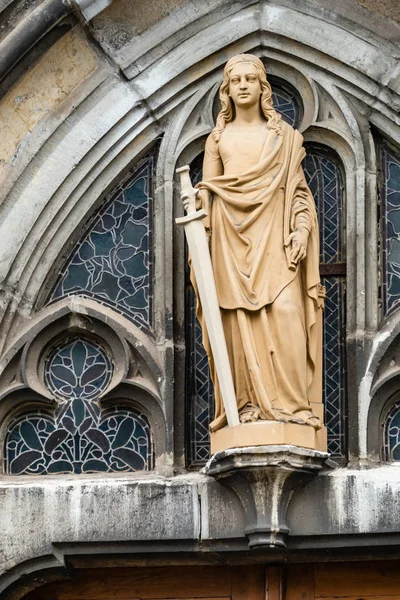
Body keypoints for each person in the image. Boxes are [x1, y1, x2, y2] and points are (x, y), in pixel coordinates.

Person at [187, 54, 323, 432]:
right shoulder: (219, 139)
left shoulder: (285, 139)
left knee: (287, 315)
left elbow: (299, 195)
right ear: (226, 91)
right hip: (231, 244)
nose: (243, 85)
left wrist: (301, 231)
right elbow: (210, 191)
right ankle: (245, 407)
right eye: (236, 80)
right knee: (237, 325)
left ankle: (294, 410)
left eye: (251, 79)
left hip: (276, 242)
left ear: (263, 88)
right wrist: (199, 206)